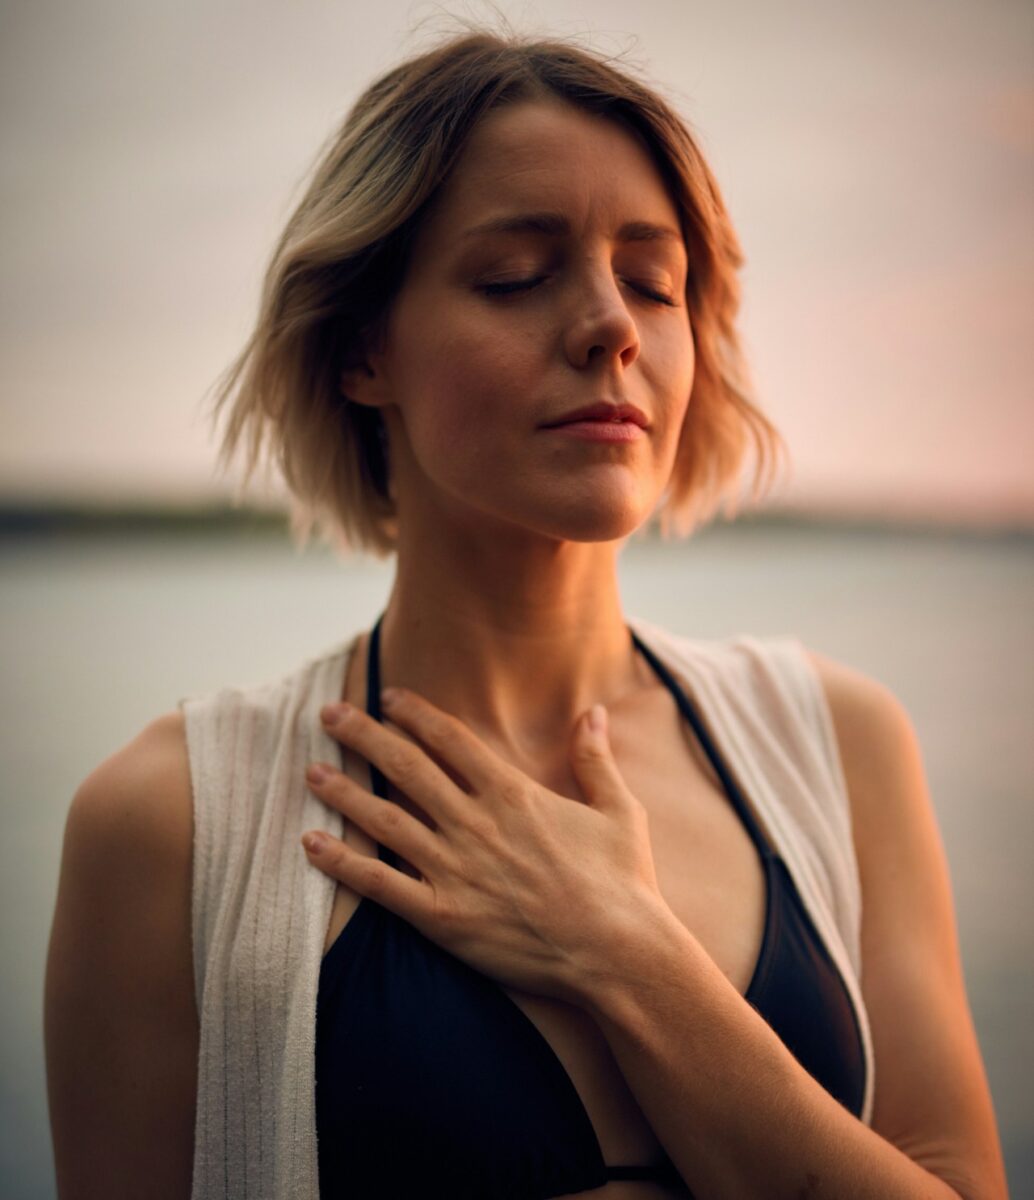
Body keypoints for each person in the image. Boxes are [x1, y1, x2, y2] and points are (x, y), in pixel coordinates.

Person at [44, 26, 1007, 1200]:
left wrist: (628, 954)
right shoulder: (170, 824)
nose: (610, 325)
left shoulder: (838, 745)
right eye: (514, 275)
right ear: (362, 350)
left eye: (652, 283)